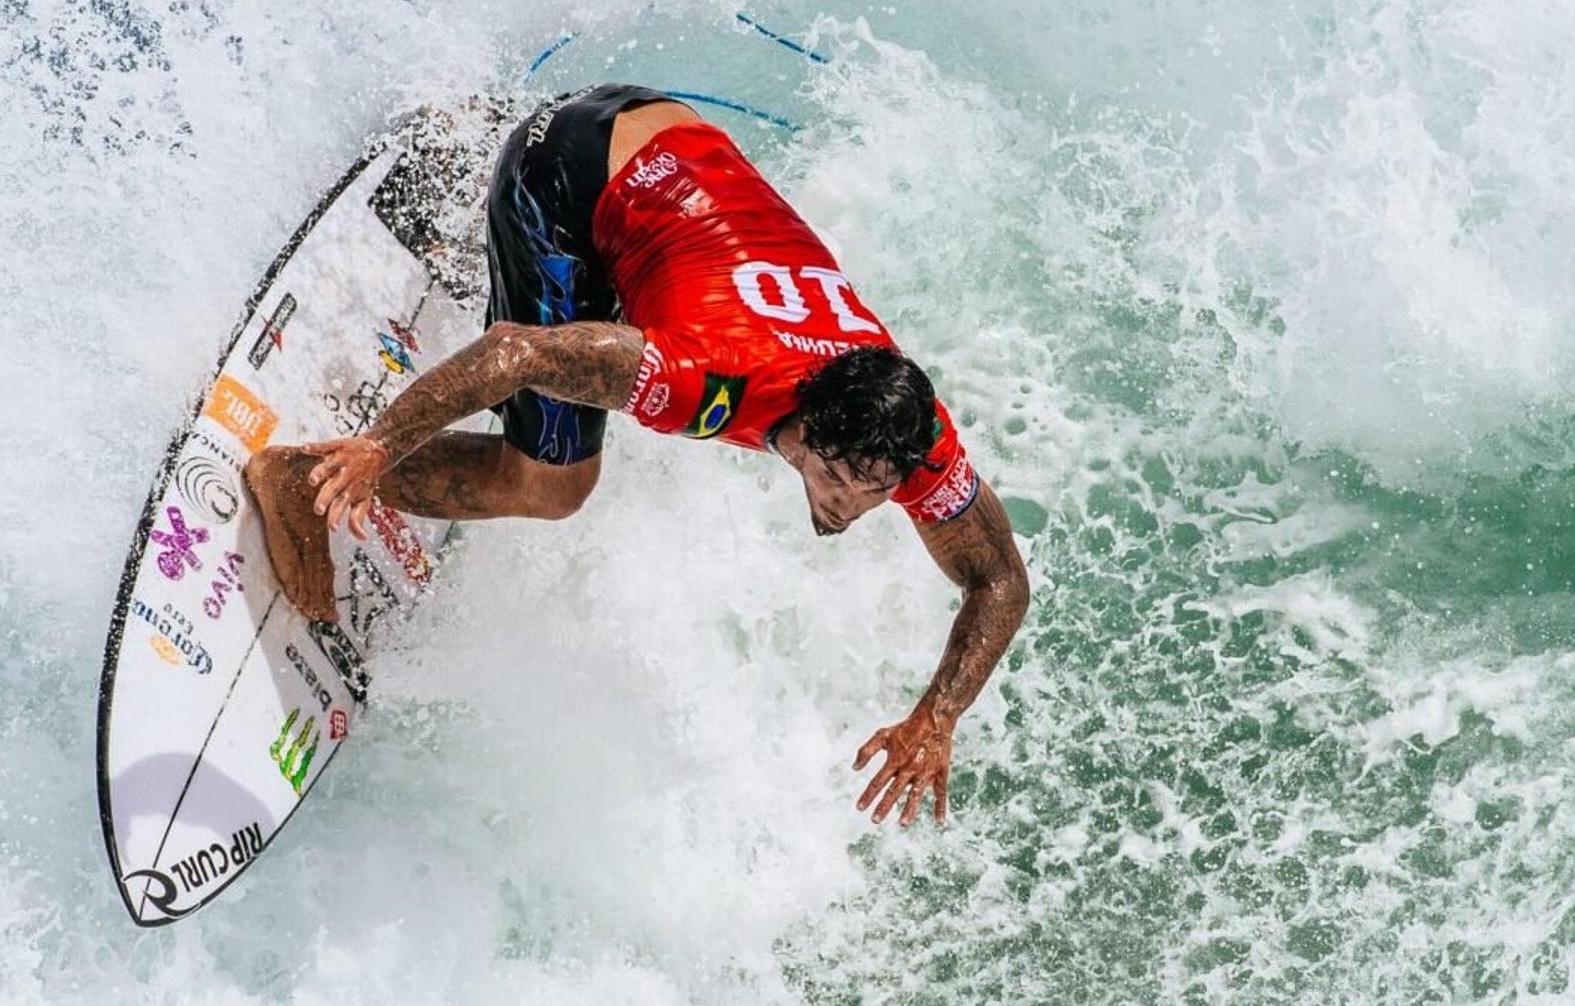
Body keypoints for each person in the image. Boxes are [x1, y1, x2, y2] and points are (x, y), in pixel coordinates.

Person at [252, 85, 1032, 824]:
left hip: (660, 128)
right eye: (834, 479)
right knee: (553, 483)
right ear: (800, 426)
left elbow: (997, 578)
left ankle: (459, 176)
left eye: (875, 493)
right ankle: (298, 477)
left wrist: (938, 716)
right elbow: (517, 350)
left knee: (608, 323)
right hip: (564, 172)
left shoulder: (911, 434)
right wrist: (379, 447)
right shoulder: (705, 379)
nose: (848, 506)